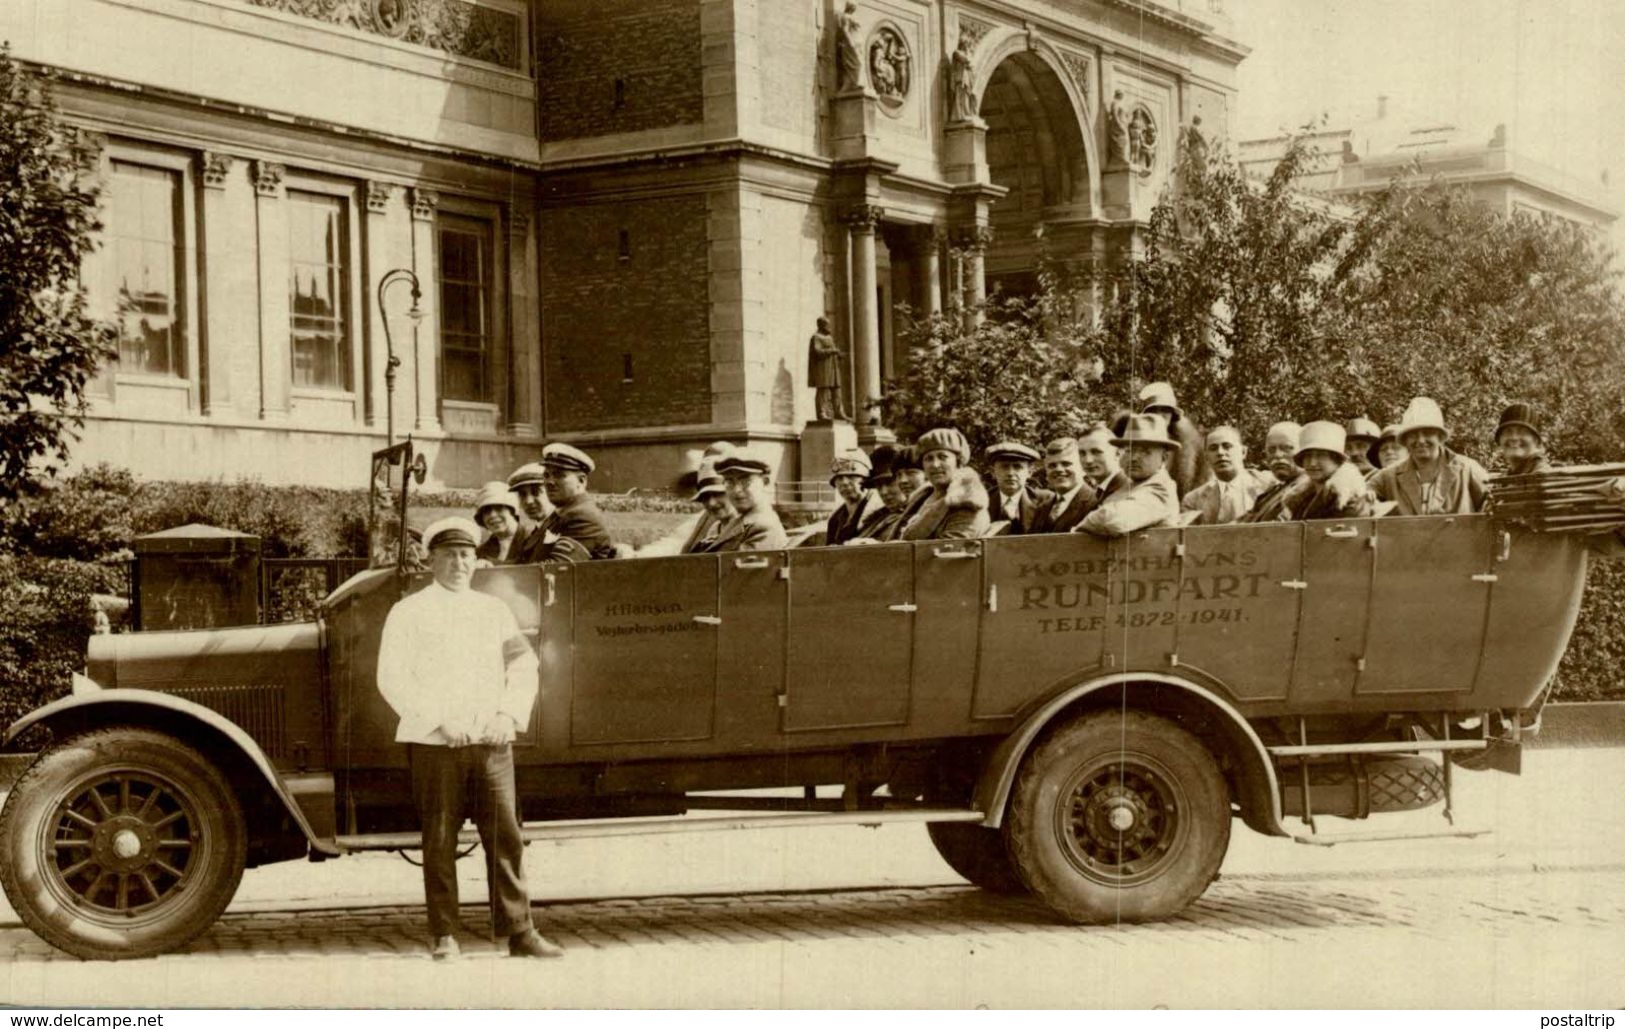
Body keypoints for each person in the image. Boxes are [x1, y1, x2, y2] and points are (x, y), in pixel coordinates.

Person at [375, 518, 561, 961]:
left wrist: (507, 715)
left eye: (465, 555)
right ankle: (444, 934)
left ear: (476, 561)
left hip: (491, 743)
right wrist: (440, 722)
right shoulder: (409, 611)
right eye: (448, 555)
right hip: (436, 746)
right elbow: (391, 678)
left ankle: (519, 931)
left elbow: (522, 666)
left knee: (506, 837)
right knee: (439, 839)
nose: (459, 563)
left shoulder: (492, 610)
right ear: (430, 560)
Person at [1368, 397, 1490, 516]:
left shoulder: (1466, 469)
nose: (1420, 440)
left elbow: (1492, 499)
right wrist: (1368, 499)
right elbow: (1362, 494)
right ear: (1405, 441)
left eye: (1427, 433)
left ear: (1440, 437)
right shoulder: (1389, 476)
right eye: (1413, 435)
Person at [1077, 414, 1181, 536]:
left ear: (1164, 458)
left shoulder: (1160, 489)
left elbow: (1112, 520)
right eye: (1129, 450)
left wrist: (1079, 528)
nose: (1133, 458)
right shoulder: (1134, 484)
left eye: (1145, 451)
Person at [898, 427, 990, 540]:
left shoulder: (967, 501)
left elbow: (949, 550)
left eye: (943, 457)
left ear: (958, 462)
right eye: (928, 459)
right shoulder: (922, 498)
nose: (935, 464)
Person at [535, 443, 618, 559]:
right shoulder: (561, 512)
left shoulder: (582, 518)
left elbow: (557, 570)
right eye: (546, 475)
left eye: (559, 475)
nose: (549, 482)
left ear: (581, 481)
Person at [1180, 426, 1274, 525]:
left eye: (1227, 446)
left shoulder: (1268, 486)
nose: (1220, 453)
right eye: (1213, 448)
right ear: (1206, 457)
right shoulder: (1193, 500)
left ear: (1243, 452)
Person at [1285, 421, 1375, 521]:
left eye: (1320, 455)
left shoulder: (1349, 499)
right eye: (1307, 456)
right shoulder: (1302, 500)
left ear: (1337, 460)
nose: (1312, 463)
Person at [701, 451, 789, 551]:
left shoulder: (763, 527)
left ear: (765, 482)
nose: (736, 490)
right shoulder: (740, 521)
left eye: (745, 481)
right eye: (730, 482)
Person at [1138, 381, 1204, 495]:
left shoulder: (1186, 445)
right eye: (1154, 410)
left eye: (1165, 410)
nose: (1159, 415)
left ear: (1172, 414)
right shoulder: (1135, 441)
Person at [1239, 422, 1310, 523]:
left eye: (1286, 448)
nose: (1278, 455)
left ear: (1303, 451)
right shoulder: (1272, 492)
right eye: (1271, 450)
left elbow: (1277, 529)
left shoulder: (1307, 490)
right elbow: (1242, 522)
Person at [985, 441, 1053, 535]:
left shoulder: (1045, 501)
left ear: (1029, 472)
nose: (1010, 473)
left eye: (1017, 467)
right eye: (1004, 467)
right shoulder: (982, 503)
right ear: (993, 472)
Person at [1034, 436, 1100, 533]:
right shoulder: (1042, 508)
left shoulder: (1097, 504)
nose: (1059, 469)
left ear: (1083, 468)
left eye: (1066, 464)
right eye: (1052, 466)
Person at [850, 445, 912, 542]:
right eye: (878, 486)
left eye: (889, 483)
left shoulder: (917, 516)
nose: (884, 492)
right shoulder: (875, 519)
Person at [824, 449, 880, 545]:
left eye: (851, 477)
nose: (844, 483)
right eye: (839, 478)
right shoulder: (835, 519)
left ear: (865, 480)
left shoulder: (879, 511)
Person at [807, 317, 848, 421]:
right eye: (827, 325)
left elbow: (832, 351)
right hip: (823, 369)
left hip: (833, 369)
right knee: (823, 390)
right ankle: (821, 412)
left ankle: (839, 412)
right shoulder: (816, 337)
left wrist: (838, 355)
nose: (829, 327)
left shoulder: (829, 338)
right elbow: (817, 352)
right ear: (821, 325)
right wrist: (832, 351)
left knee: (836, 390)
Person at [1494, 402, 1551, 476]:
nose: (1514, 437)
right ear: (1499, 439)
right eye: (1508, 431)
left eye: (1522, 431)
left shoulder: (1542, 477)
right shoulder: (1505, 478)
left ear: (1536, 440)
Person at [471, 482, 522, 565]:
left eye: (499, 508)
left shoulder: (533, 541)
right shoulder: (481, 552)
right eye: (486, 511)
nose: (493, 515)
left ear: (512, 511)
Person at [1077, 422, 1131, 498]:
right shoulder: (1102, 489)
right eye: (1082, 453)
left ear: (1117, 453)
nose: (1088, 460)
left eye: (1096, 452)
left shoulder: (1127, 490)